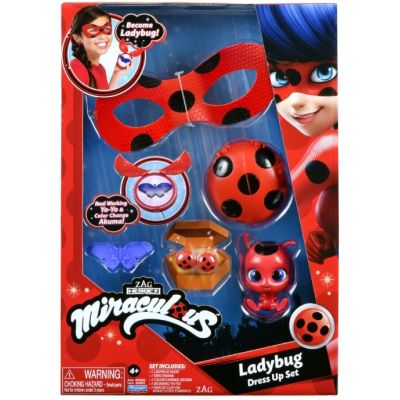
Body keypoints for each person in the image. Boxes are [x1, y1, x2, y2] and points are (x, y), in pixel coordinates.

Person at [258, 4, 338, 264]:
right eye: (278, 77)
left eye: (324, 72)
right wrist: (332, 242)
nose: (296, 101)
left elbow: (274, 208)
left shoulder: (332, 150)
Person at [70, 6, 133, 90]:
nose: (103, 36)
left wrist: (116, 74)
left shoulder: (101, 69)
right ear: (77, 38)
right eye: (93, 30)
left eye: (107, 29)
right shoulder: (77, 68)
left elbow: (104, 97)